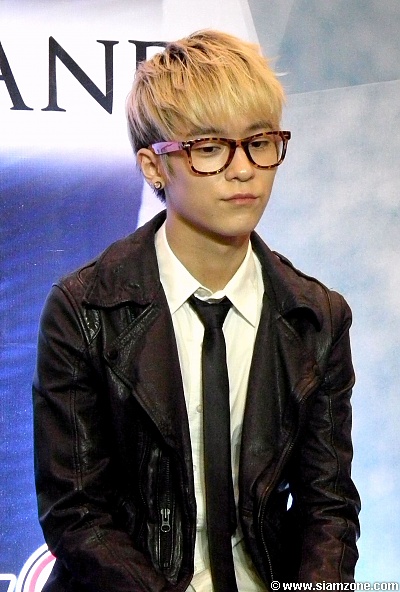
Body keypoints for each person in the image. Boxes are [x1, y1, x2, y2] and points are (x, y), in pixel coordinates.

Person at [33, 30, 360, 592]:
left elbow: (327, 508)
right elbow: (78, 514)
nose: (244, 169)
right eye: (210, 148)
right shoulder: (83, 310)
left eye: (260, 141)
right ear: (153, 166)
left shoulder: (317, 317)